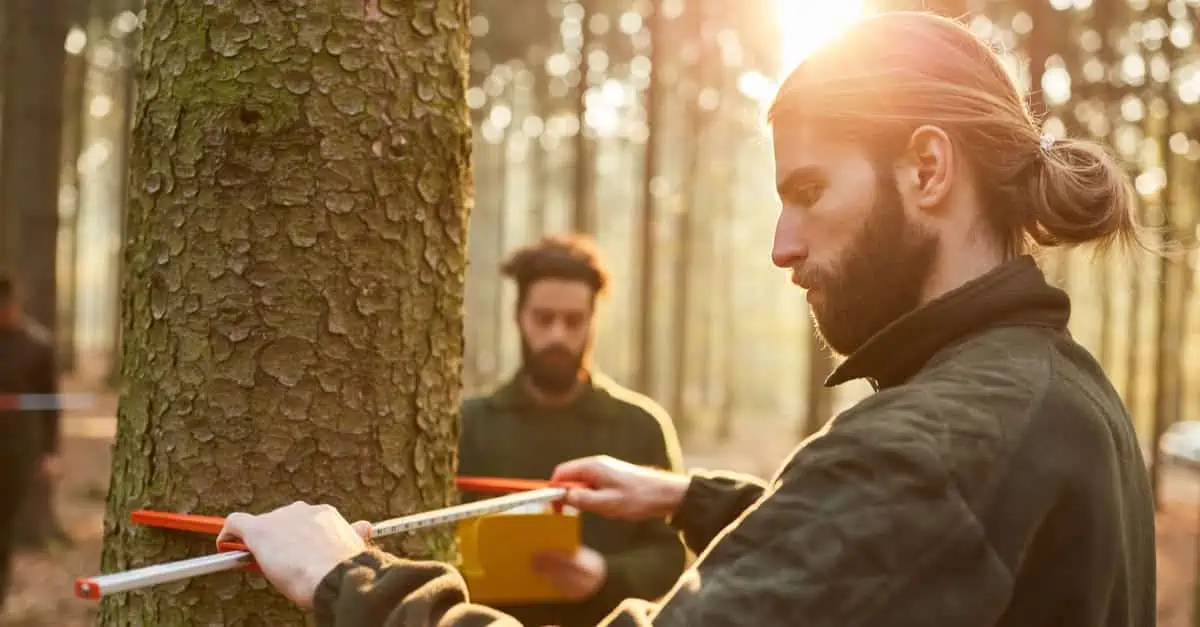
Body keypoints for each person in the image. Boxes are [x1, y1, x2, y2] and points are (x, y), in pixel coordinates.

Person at [217, 12, 1156, 626]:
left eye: (811, 190)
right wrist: (690, 500)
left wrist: (355, 582)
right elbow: (913, 566)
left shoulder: (937, 443)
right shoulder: (1057, 388)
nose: (782, 245)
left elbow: (914, 502)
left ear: (927, 168)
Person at [456, 235, 687, 626]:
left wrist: (606, 574)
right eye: (543, 319)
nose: (557, 336)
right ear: (519, 317)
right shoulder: (470, 424)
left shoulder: (640, 425)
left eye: (573, 321)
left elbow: (671, 552)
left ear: (593, 322)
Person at [0, 270, 60, 611]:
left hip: (13, 454)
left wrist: (50, 453)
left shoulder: (36, 347)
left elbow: (50, 405)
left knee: (3, 532)